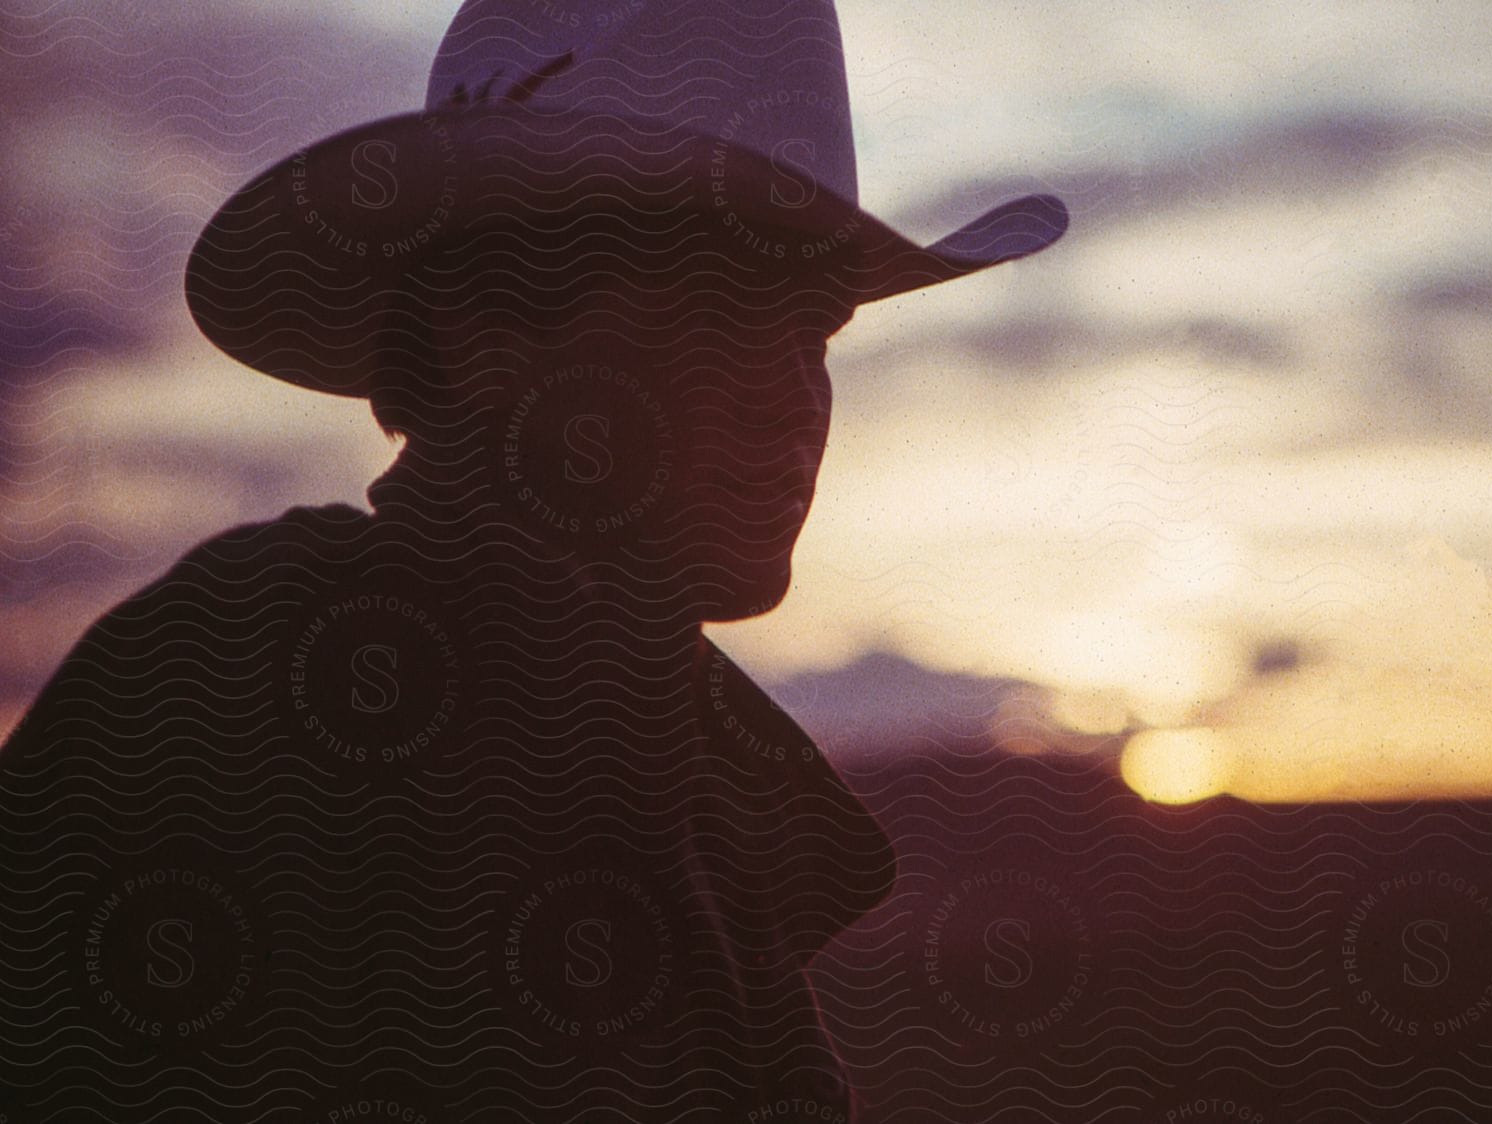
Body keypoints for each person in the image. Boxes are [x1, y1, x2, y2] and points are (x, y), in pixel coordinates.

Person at [0, 0, 1066, 1118]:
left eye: (815, 332)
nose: (793, 403)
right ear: (487, 331)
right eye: (721, 315)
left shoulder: (677, 769)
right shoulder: (254, 677)